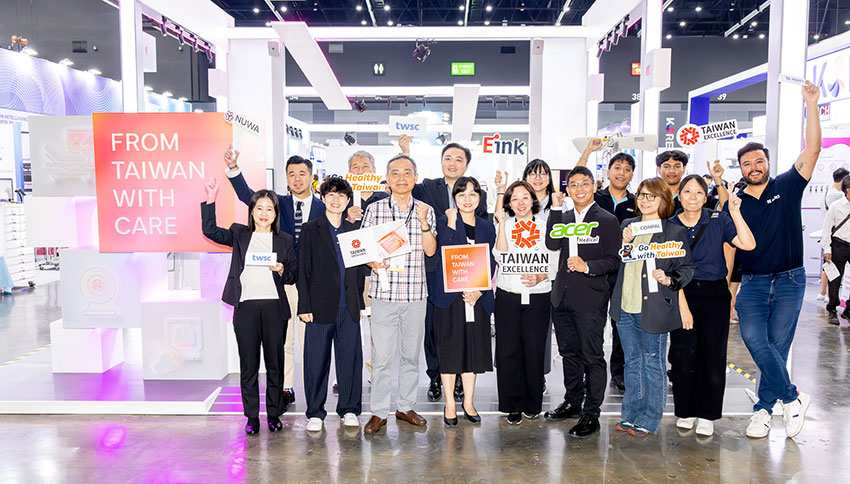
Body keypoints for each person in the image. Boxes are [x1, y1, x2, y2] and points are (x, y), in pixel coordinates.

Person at [732, 82, 821, 439]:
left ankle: (763, 410)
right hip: (752, 282)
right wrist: (730, 289)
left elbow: (812, 149)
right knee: (756, 342)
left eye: (759, 161)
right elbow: (731, 247)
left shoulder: (788, 185)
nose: (754, 167)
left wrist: (810, 104)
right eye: (747, 163)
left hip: (790, 280)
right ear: (741, 168)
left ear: (768, 163)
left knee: (777, 347)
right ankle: (793, 398)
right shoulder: (735, 203)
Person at [224, 148, 326, 410]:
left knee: (310, 342)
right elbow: (248, 196)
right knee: (284, 341)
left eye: (302, 173)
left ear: (311, 176)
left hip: (313, 286)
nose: (297, 179)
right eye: (292, 174)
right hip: (282, 283)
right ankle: (286, 389)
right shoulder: (277, 205)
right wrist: (234, 169)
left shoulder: (324, 207)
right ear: (286, 179)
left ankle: (314, 391)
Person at [200, 179, 297, 435]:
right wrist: (210, 200)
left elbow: (293, 275)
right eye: (259, 208)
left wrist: (282, 269)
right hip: (245, 308)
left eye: (269, 209)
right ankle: (252, 417)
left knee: (275, 365)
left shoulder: (285, 240)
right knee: (249, 366)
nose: (264, 213)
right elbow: (210, 231)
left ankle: (274, 414)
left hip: (275, 308)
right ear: (251, 211)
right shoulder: (239, 234)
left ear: (275, 213)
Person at [668, 175, 756, 437]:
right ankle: (685, 410)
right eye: (687, 191)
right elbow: (667, 267)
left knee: (713, 354)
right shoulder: (670, 225)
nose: (693, 197)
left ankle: (708, 413)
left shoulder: (719, 220)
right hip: (682, 292)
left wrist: (736, 213)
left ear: (706, 196)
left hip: (714, 293)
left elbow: (748, 244)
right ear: (679, 195)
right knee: (683, 354)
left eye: (698, 192)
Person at [403, 136, 487, 404]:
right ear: (441, 162)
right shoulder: (428, 187)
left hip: (465, 269)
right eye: (448, 158)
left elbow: (482, 231)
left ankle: (460, 377)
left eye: (458, 159)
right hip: (435, 268)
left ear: (466, 165)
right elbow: (403, 187)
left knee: (462, 327)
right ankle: (435, 376)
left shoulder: (475, 192)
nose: (453, 163)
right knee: (433, 328)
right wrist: (405, 152)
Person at [610, 177, 695, 436]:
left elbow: (686, 268)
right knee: (631, 363)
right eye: (641, 195)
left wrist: (669, 280)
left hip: (654, 309)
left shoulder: (673, 231)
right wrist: (624, 244)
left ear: (663, 200)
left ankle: (649, 419)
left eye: (651, 196)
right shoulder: (628, 225)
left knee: (652, 363)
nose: (645, 200)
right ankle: (631, 414)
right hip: (625, 306)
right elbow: (618, 262)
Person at [543, 166, 621, 438]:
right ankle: (573, 401)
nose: (579, 189)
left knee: (592, 356)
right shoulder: (563, 216)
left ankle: (591, 413)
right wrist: (555, 209)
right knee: (569, 354)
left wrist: (587, 266)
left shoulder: (607, 220)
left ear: (594, 186)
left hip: (590, 298)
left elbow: (614, 260)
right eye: (573, 184)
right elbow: (552, 244)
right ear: (568, 190)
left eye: (584, 183)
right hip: (561, 297)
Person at [362, 154, 437, 434]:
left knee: (410, 357)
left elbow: (431, 250)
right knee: (382, 358)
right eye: (395, 173)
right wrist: (371, 260)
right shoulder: (375, 209)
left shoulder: (426, 210)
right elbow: (362, 248)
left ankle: (405, 406)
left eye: (407, 172)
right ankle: (378, 411)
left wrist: (424, 223)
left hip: (416, 294)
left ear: (415, 178)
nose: (401, 178)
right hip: (384, 294)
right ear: (387, 178)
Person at [297, 177, 366, 432]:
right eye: (331, 195)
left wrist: (359, 301)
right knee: (316, 362)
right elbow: (303, 270)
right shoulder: (310, 229)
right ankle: (315, 412)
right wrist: (304, 306)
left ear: (348, 201)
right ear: (323, 198)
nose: (336, 200)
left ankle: (349, 409)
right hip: (318, 307)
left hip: (348, 307)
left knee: (350, 360)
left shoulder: (354, 231)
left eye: (341, 196)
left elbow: (358, 270)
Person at [429, 176, 496, 426]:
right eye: (461, 194)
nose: (467, 199)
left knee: (472, 352)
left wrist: (481, 290)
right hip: (449, 299)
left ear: (479, 197)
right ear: (454, 198)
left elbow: (492, 261)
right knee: (449, 352)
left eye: (472, 194)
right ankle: (449, 404)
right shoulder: (444, 221)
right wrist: (451, 223)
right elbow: (440, 252)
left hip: (476, 297)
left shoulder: (487, 226)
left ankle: (468, 402)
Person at [576, 140, 636, 393]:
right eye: (617, 168)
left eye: (627, 169)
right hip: (595, 271)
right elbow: (576, 178)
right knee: (591, 324)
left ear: (632, 175)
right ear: (608, 172)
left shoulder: (637, 202)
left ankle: (619, 373)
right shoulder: (594, 198)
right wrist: (588, 151)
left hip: (625, 273)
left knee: (621, 324)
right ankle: (589, 371)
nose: (622, 173)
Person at [492, 180, 552, 425]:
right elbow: (501, 255)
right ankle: (512, 404)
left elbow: (554, 257)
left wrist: (541, 275)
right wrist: (501, 226)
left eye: (525, 197)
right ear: (509, 203)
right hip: (508, 294)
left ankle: (533, 403)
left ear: (533, 200)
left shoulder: (545, 225)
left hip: (538, 294)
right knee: (508, 350)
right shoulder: (505, 224)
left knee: (534, 350)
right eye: (514, 198)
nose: (520, 203)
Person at [655, 149, 728, 212]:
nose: (672, 171)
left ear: (683, 169)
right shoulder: (651, 195)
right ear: (659, 169)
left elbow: (725, 208)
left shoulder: (695, 195)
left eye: (677, 166)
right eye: (666, 167)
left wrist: (717, 179)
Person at [818, 168, 849, 302]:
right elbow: (829, 225)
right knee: (835, 275)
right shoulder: (837, 201)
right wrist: (827, 247)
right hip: (838, 241)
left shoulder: (827, 193)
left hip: (839, 239)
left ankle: (825, 293)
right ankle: (830, 301)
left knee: (831, 271)